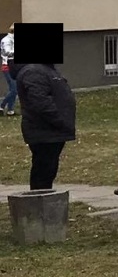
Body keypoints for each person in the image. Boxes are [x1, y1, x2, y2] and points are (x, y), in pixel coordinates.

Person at [15, 50, 75, 189]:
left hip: (52, 131)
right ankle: (39, 204)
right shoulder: (34, 71)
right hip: (45, 131)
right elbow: (40, 102)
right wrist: (60, 121)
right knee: (43, 172)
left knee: (48, 170)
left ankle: (44, 202)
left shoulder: (46, 69)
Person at [0, 26, 15, 116]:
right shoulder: (6, 40)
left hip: (14, 66)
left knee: (13, 89)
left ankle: (10, 110)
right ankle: (2, 106)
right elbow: (7, 52)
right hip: (8, 66)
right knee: (14, 89)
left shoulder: (12, 39)